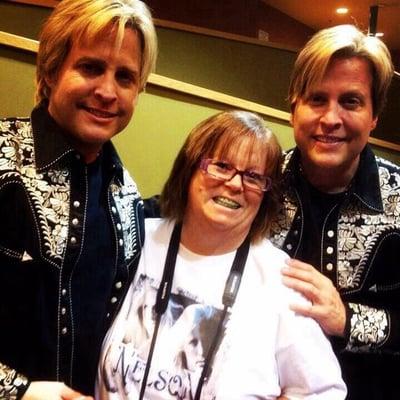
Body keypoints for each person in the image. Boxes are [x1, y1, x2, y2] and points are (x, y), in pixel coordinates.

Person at [97, 110, 346, 399]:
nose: (235, 184)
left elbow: (325, 392)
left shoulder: (282, 283)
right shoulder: (136, 240)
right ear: (189, 169)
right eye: (221, 166)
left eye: (253, 176)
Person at [0, 0, 157, 398]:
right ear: (51, 70)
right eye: (90, 68)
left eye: (125, 77)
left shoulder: (126, 194)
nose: (107, 91)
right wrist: (20, 392)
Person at [268, 24, 399, 399]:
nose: (331, 118)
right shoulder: (259, 182)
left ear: (374, 116)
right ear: (294, 108)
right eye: (317, 99)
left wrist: (347, 318)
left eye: (351, 102)